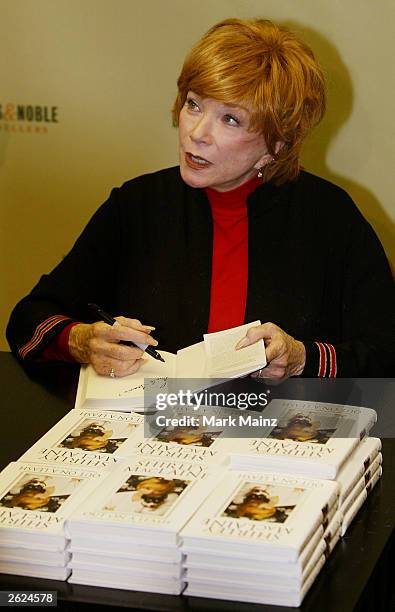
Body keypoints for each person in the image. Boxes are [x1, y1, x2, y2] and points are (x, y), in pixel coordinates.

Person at [6, 18, 395, 379]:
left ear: (276, 143)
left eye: (230, 119)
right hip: (156, 442)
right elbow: (28, 319)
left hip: (275, 442)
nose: (197, 132)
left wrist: (301, 358)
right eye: (194, 104)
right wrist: (82, 341)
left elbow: (384, 353)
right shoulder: (138, 205)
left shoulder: (329, 217)